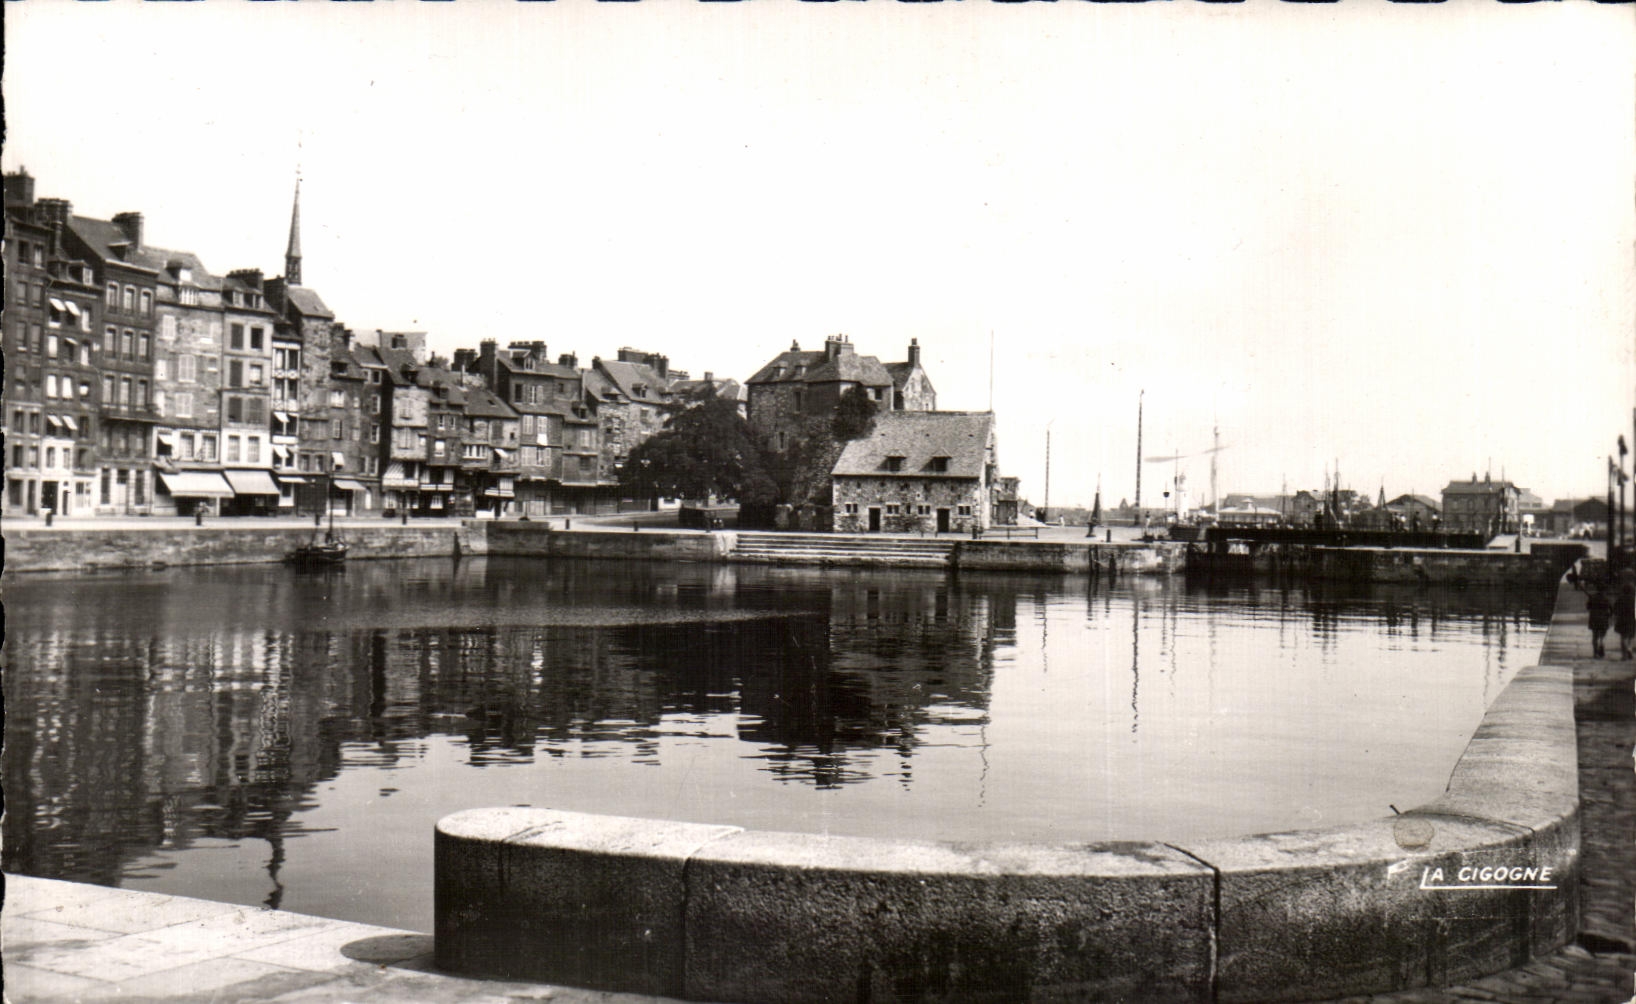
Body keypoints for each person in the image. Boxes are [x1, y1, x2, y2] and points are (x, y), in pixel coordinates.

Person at [1587, 587, 1611, 658]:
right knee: (1602, 635)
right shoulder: (1606, 599)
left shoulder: (1592, 597)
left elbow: (1588, 607)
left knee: (1595, 636)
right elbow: (1610, 608)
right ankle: (1601, 644)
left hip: (1594, 618)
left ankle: (1595, 652)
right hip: (1603, 618)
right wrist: (1609, 615)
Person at [1615, 581, 1636, 660]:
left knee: (1623, 637)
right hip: (1632, 619)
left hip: (1622, 619)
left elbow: (1616, 609)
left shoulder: (1620, 598)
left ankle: (1624, 655)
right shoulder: (1634, 599)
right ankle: (1629, 648)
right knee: (1631, 636)